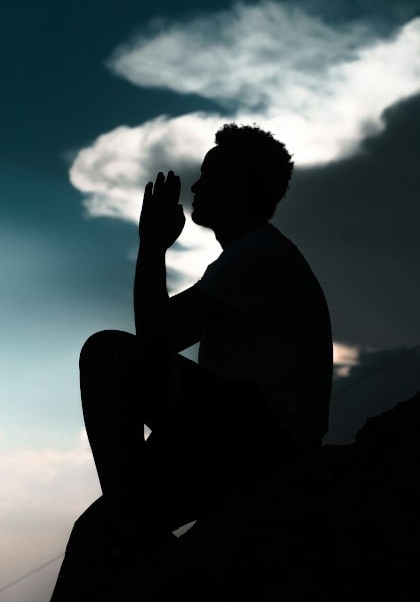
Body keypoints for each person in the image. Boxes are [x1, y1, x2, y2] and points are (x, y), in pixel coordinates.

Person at [51, 123, 332, 598]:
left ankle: (132, 522)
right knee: (91, 534)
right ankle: (130, 520)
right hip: (237, 431)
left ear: (240, 186)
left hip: (264, 437)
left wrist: (152, 245)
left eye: (210, 176)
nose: (197, 186)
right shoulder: (247, 259)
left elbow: (153, 338)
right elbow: (163, 338)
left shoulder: (261, 255)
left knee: (107, 353)